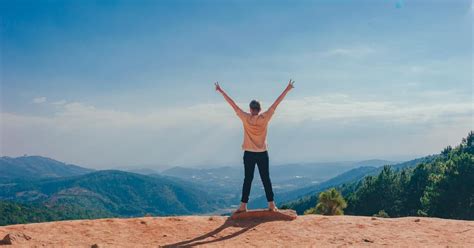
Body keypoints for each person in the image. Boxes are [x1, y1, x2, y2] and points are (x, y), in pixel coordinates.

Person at [215, 79, 295, 213]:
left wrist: (221, 91)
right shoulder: (265, 117)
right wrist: (287, 89)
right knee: (266, 178)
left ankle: (243, 205)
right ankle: (271, 205)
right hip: (263, 153)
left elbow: (232, 104)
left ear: (251, 109)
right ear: (260, 109)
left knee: (248, 179)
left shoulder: (245, 117)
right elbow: (277, 102)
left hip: (249, 153)